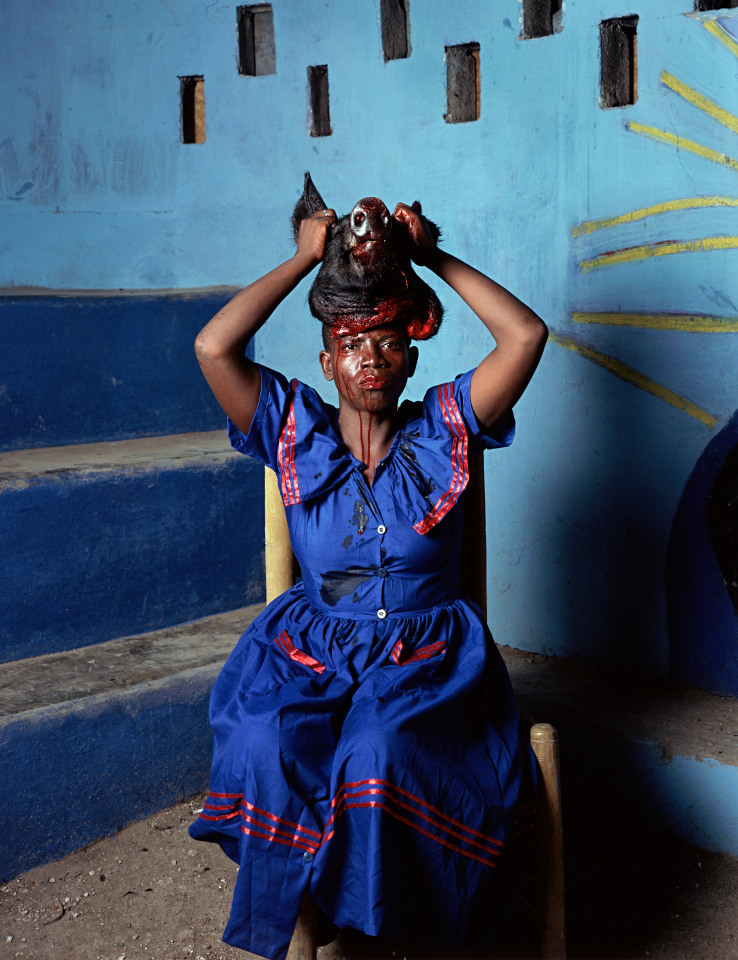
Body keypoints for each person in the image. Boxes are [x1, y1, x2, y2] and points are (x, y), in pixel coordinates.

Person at [188, 197, 548, 960]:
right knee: (265, 736)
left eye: (388, 341)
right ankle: (306, 923)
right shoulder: (290, 424)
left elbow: (526, 335)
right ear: (327, 362)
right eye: (352, 343)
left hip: (428, 662)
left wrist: (428, 256)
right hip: (311, 651)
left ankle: (395, 927)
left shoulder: (447, 426)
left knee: (378, 748)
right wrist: (302, 259)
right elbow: (215, 347)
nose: (372, 357)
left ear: (411, 355)